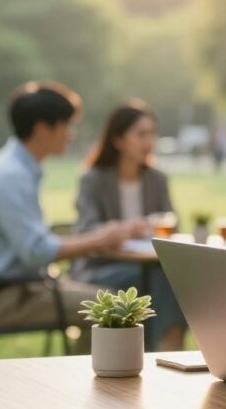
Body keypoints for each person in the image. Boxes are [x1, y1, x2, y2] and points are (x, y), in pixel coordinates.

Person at [0, 82, 135, 353]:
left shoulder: (18, 168)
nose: (71, 134)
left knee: (116, 293)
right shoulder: (10, 177)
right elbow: (36, 251)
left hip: (25, 288)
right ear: (43, 128)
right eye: (67, 125)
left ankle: (91, 379)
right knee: (117, 307)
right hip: (13, 298)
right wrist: (98, 239)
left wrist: (96, 238)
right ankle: (94, 385)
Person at [70, 100, 187, 351]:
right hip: (101, 267)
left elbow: (172, 222)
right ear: (118, 140)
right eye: (141, 134)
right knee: (159, 280)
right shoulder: (93, 179)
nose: (149, 142)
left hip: (149, 265)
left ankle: (166, 345)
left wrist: (157, 226)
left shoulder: (157, 178)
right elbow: (86, 229)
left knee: (170, 277)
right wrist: (125, 229)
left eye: (152, 134)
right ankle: (166, 348)